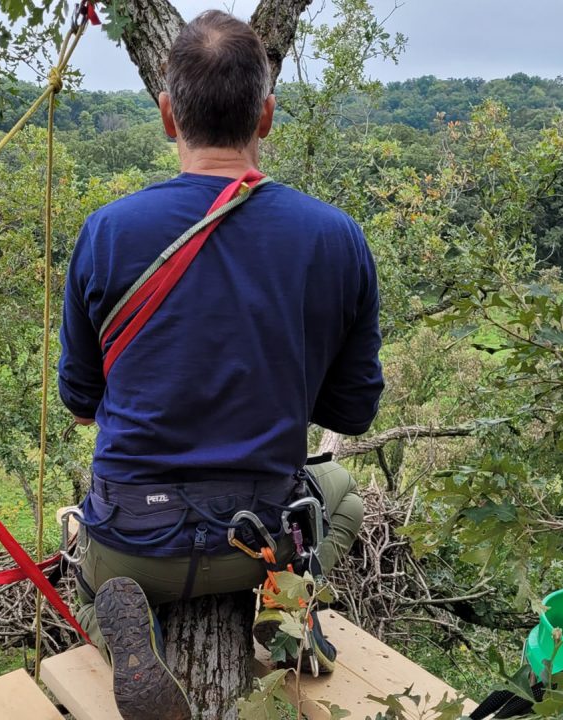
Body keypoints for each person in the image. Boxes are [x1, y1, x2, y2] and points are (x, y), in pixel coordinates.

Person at [58, 9, 384, 720]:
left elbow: (81, 400)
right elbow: (352, 413)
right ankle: (285, 610)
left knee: (85, 583)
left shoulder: (107, 232)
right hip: (257, 535)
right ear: (265, 117)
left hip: (132, 542)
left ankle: (123, 632)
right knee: (344, 492)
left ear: (170, 116)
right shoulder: (336, 237)